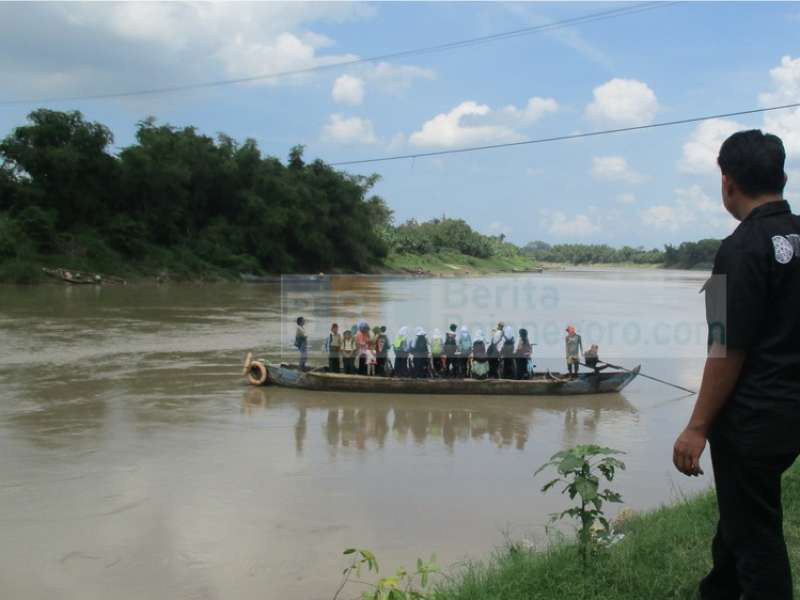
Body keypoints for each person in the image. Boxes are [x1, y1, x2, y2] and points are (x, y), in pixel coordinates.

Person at [672, 130, 800, 600]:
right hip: (791, 413)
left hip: (752, 421)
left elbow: (725, 347)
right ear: (782, 176)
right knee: (740, 519)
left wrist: (697, 427)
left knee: (757, 544)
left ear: (727, 183)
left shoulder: (737, 250)